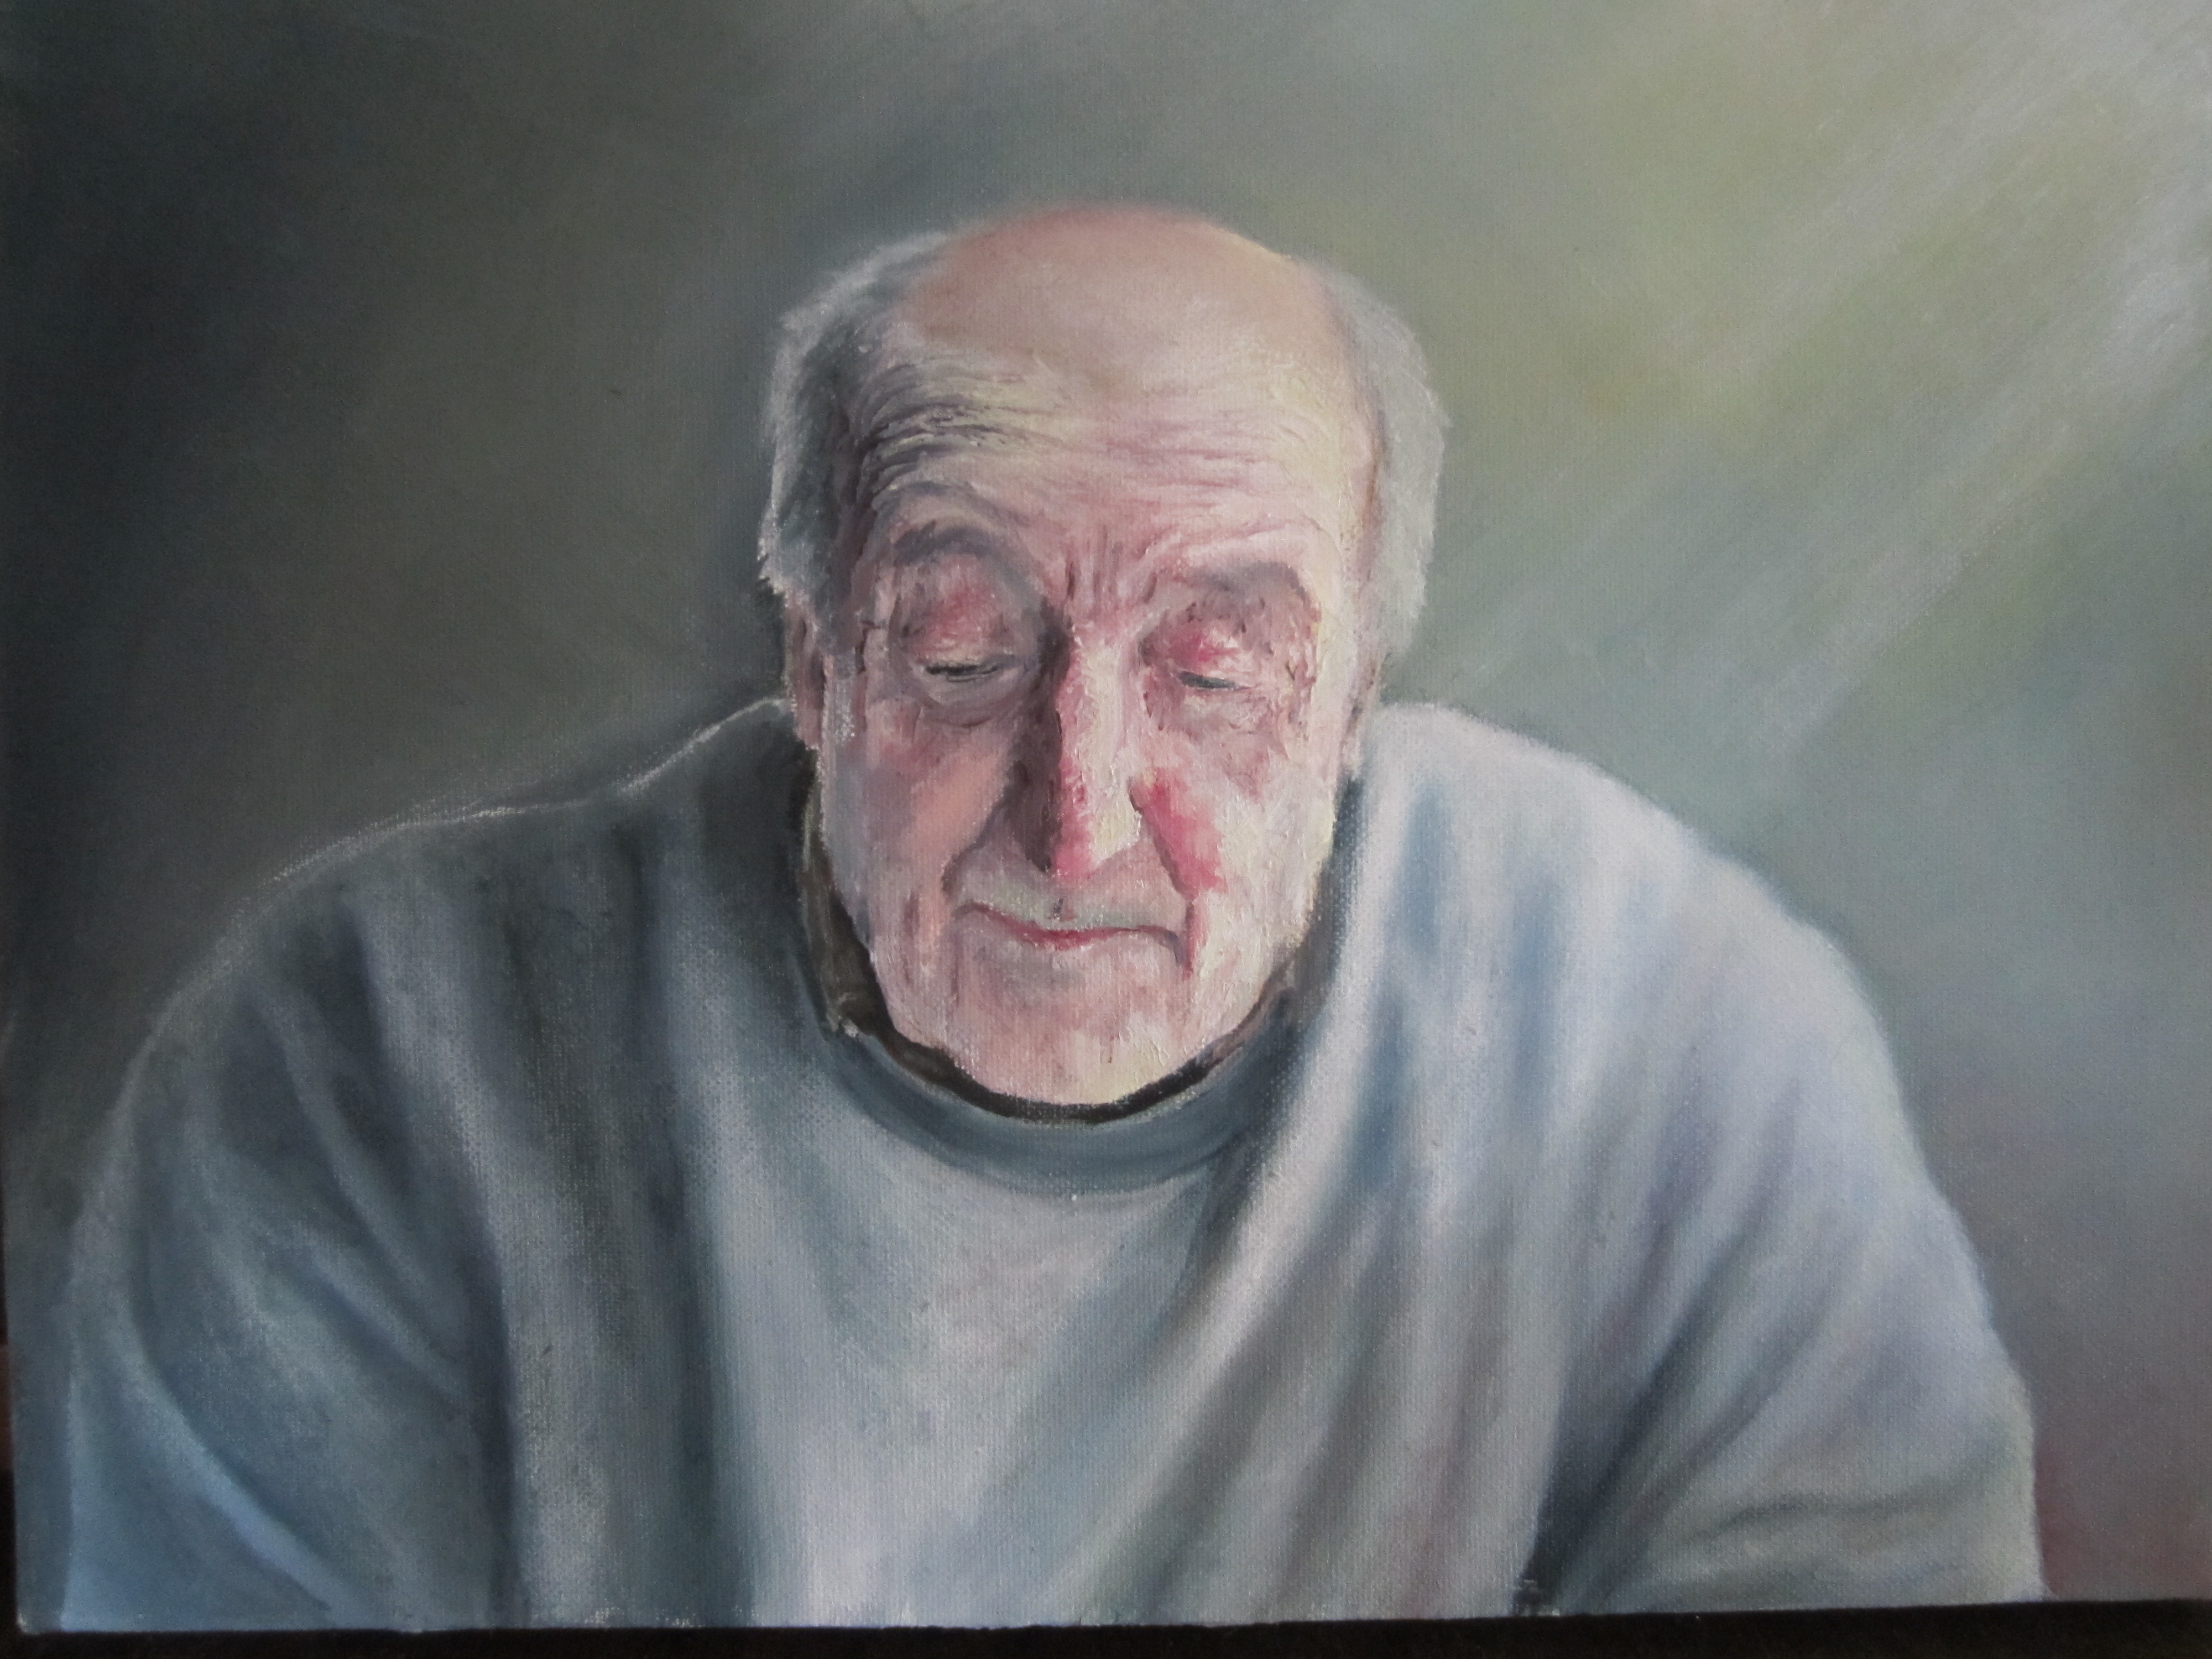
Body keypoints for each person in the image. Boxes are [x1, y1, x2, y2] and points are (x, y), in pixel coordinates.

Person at [58, 206, 2041, 1630]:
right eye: (960, 653)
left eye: (1216, 674)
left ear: (1356, 704)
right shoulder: (372, 1054)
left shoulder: (1677, 1039)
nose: (1078, 823)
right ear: (813, 664)